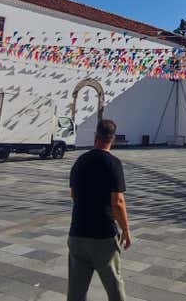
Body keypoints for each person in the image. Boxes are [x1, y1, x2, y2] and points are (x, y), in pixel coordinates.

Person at [68, 120, 130, 301]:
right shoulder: (113, 163)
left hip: (77, 233)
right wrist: (125, 229)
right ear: (113, 140)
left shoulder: (80, 161)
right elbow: (117, 202)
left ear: (96, 137)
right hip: (103, 236)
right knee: (114, 288)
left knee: (76, 292)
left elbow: (73, 194)